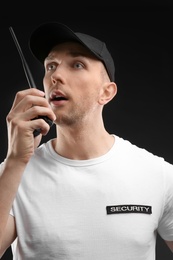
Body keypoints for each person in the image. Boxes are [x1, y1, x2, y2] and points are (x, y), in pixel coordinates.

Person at [0, 21, 173, 260]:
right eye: (50, 66)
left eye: (77, 64)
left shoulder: (159, 175)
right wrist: (15, 160)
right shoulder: (12, 174)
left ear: (106, 92)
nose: (56, 76)